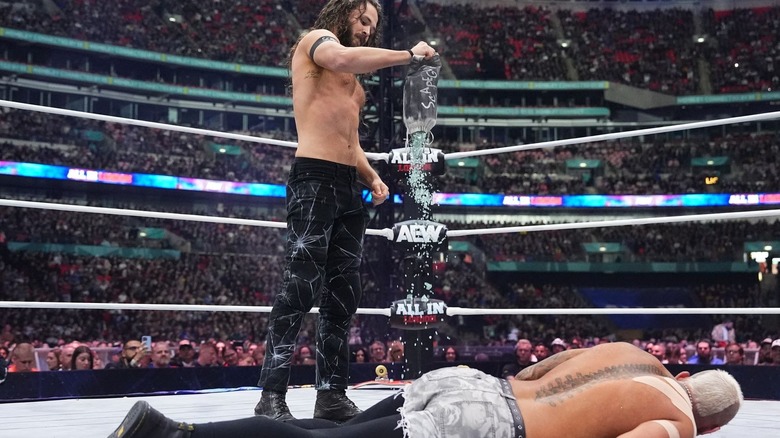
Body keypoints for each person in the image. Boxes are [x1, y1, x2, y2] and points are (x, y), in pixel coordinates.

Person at [255, 0, 436, 423]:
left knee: (342, 295)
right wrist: (408, 55)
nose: (367, 30)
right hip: (313, 179)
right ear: (343, 13)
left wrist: (371, 176)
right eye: (363, 20)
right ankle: (271, 393)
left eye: (373, 25)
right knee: (300, 284)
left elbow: (349, 143)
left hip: (347, 186)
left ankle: (331, 393)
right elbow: (341, 56)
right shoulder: (316, 43)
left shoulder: (355, 85)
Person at [108, 342, 743, 438]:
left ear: (687, 374)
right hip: (489, 430)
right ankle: (174, 435)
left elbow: (533, 372)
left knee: (331, 431)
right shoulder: (678, 421)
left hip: (473, 385)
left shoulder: (635, 355)